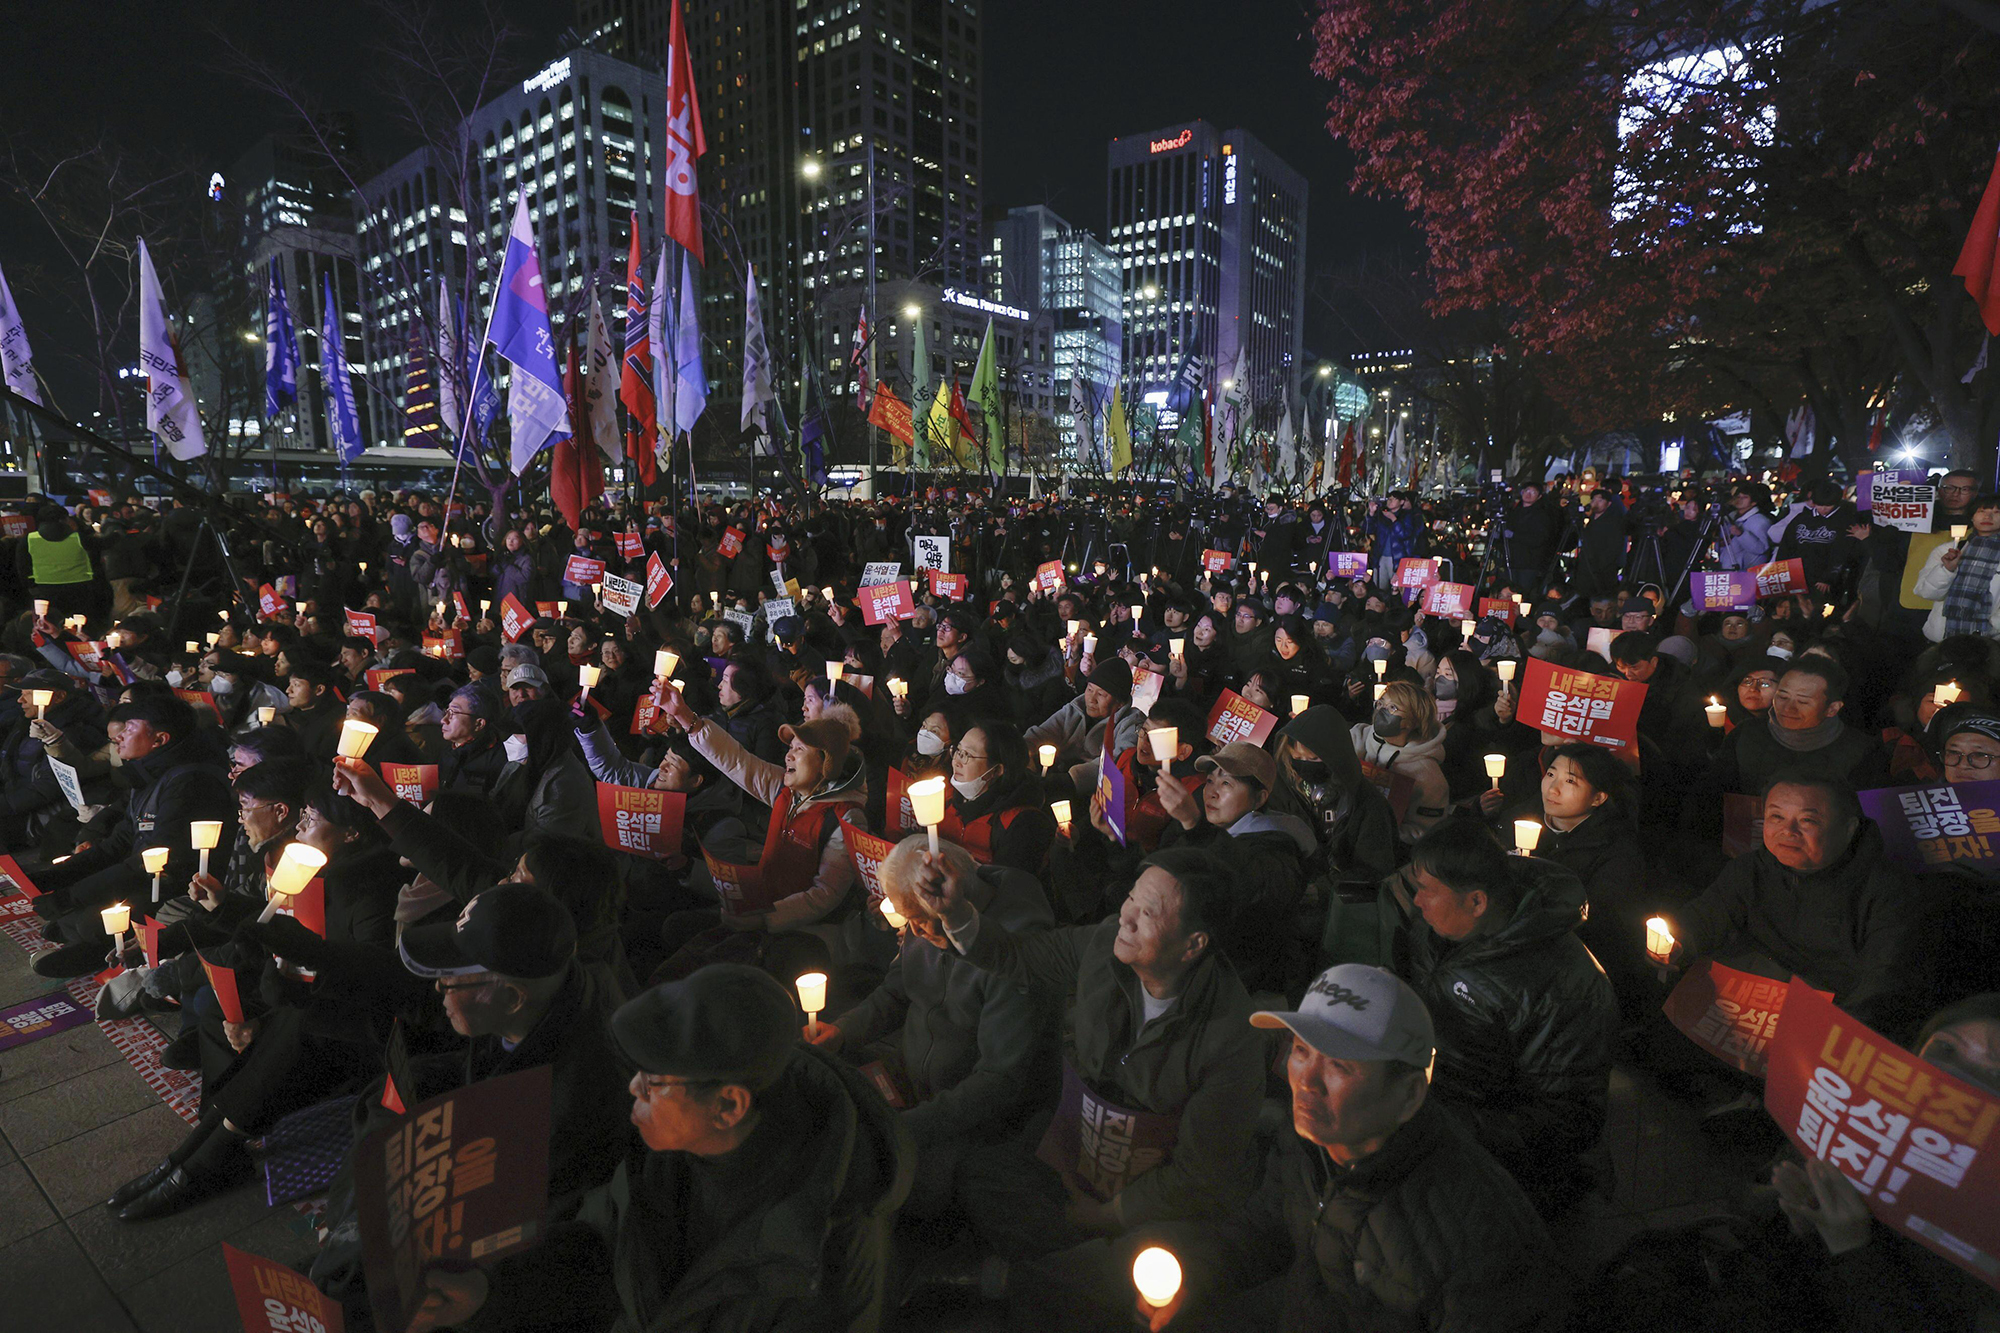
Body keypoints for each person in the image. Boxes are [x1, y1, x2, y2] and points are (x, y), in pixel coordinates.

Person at [408, 965, 914, 1333]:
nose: (632, 1090)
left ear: (728, 1107)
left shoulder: (822, 1252)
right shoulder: (668, 1156)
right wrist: (487, 1295)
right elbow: (605, 1247)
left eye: (652, 1083)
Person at [1124, 965, 1570, 1332]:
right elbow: (1265, 1227)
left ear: (1409, 1094)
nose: (1305, 1081)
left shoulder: (1481, 1238)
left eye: (1340, 1064)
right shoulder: (1312, 1144)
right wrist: (1197, 1277)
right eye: (1301, 1050)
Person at [918, 845, 1264, 1261]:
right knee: (977, 1178)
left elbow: (1198, 1174)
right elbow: (1022, 957)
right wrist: (955, 914)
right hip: (1079, 1141)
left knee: (1125, 1267)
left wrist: (1105, 1216)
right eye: (1131, 898)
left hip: (1154, 1185)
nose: (1126, 916)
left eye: (1148, 912)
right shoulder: (1105, 946)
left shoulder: (1231, 1033)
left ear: (1193, 945)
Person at [811, 835, 1057, 1218]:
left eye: (920, 920)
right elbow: (896, 991)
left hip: (981, 1120)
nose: (915, 932)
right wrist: (841, 1032)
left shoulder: (1014, 952)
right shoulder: (924, 916)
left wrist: (904, 1128)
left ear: (955, 897)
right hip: (915, 1085)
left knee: (880, 1189)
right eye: (909, 920)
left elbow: (999, 1081)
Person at [1399, 815, 1619, 1214]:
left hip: (1502, 1159)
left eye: (1427, 891)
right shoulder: (1438, 925)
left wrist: (1437, 1124)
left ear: (1478, 901)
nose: (1416, 901)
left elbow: (1566, 1118)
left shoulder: (1565, 989)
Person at [1660, 775, 1941, 1043]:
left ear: (1848, 828)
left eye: (1807, 820)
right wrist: (1676, 943)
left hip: (1834, 1013)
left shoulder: (1887, 889)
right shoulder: (1749, 870)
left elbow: (1885, 977)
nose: (1788, 831)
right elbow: (1706, 916)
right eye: (1776, 817)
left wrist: (1839, 1029)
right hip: (1754, 1001)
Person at [1350, 679, 1452, 844]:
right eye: (1381, 704)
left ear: (1414, 721)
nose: (1382, 711)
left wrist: (1381, 832)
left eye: (1393, 708)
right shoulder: (1361, 735)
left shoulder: (1428, 776)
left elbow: (1424, 831)